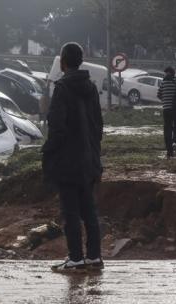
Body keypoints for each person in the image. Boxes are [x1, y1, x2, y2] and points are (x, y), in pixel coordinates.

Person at [42, 42, 104, 272]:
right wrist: (94, 153)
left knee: (70, 211)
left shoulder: (62, 88)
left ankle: (76, 257)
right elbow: (99, 125)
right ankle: (94, 256)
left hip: (68, 161)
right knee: (89, 209)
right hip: (89, 159)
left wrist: (48, 152)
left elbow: (57, 127)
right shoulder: (91, 87)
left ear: (63, 62)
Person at [157, 66, 176, 158]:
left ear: (167, 73)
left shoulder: (163, 83)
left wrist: (164, 100)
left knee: (167, 129)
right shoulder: (175, 82)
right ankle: (175, 142)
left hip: (166, 109)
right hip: (175, 109)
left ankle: (169, 151)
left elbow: (158, 95)